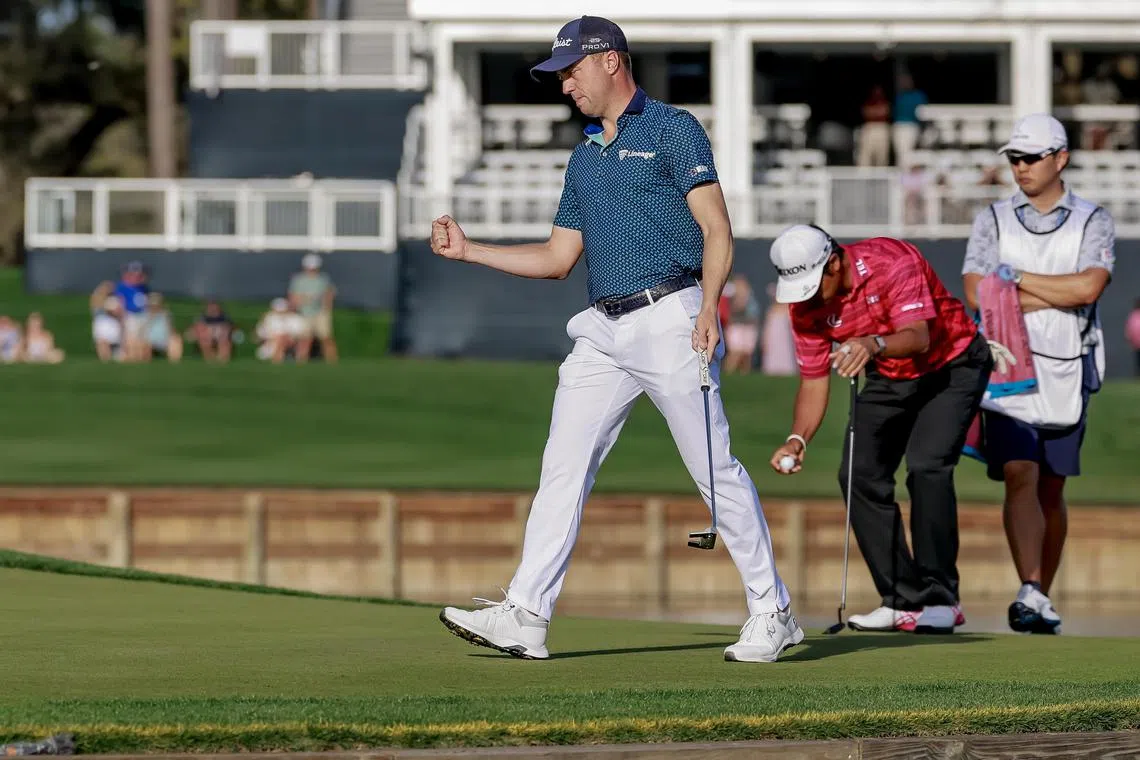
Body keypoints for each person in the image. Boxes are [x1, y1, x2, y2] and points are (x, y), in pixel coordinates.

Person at [433, 15, 800, 663]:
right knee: (562, 466)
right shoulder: (582, 157)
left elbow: (717, 229)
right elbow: (556, 258)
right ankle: (526, 614)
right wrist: (470, 252)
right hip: (602, 329)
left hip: (671, 314)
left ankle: (772, 612)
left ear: (610, 61)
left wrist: (710, 307)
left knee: (713, 470)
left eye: (571, 70)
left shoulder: (671, 129)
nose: (565, 84)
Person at [768, 224, 993, 634]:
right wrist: (798, 438)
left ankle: (942, 597)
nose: (810, 296)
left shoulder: (893, 262)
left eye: (815, 284)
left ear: (834, 262)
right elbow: (814, 380)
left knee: (927, 466)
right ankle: (902, 600)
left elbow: (919, 337)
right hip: (891, 377)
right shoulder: (805, 307)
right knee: (858, 473)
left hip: (952, 366)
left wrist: (873, 344)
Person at [961, 113, 1115, 635]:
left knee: (1052, 485)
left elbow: (1089, 289)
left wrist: (1017, 280)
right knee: (1018, 472)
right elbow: (978, 290)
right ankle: (1029, 586)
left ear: (1060, 159)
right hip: (1006, 368)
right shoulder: (993, 218)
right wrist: (1049, 288)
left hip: (1068, 366)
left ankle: (1037, 595)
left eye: (1030, 157)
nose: (1020, 167)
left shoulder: (1093, 219)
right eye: (1014, 158)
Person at [288, 254, 338, 363]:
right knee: (305, 339)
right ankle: (301, 361)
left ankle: (333, 362)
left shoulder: (323, 279)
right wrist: (297, 307)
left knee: (326, 338)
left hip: (320, 313)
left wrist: (327, 308)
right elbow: (293, 297)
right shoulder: (299, 280)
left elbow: (329, 293)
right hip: (304, 313)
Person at [723, 274, 761, 374]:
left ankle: (744, 376)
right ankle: (728, 373)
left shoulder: (750, 296)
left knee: (747, 354)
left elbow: (754, 313)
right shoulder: (730, 293)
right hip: (736, 325)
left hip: (748, 326)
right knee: (735, 352)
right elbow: (735, 308)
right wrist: (741, 298)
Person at [139, 293, 183, 363]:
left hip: (164, 339)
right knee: (145, 344)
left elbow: (171, 328)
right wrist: (151, 317)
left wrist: (174, 335)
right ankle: (146, 362)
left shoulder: (166, 314)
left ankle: (174, 362)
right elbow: (141, 330)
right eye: (153, 304)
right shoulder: (145, 314)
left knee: (176, 340)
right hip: (149, 339)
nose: (155, 306)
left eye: (157, 304)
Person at [1127, 298, 1140, 377]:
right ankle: (1138, 374)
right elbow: (1129, 329)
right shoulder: (1133, 315)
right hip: (1137, 343)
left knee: (1138, 360)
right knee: (1138, 360)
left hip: (1136, 343)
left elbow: (1129, 329)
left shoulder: (1133, 315)